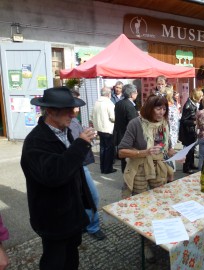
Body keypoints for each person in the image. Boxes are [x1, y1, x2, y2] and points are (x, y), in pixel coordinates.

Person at [20, 86, 97, 270]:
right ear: (51, 111)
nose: (73, 114)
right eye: (68, 110)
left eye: (74, 108)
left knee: (71, 258)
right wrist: (81, 144)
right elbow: (55, 175)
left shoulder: (65, 131)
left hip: (71, 213)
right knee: (54, 261)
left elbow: (74, 170)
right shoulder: (35, 142)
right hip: (53, 217)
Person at [118, 94, 176, 263]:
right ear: (149, 109)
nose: (162, 112)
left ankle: (161, 236)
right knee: (142, 208)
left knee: (161, 204)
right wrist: (144, 152)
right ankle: (145, 245)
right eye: (158, 108)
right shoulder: (135, 124)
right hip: (140, 169)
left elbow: (168, 148)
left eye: (164, 108)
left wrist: (175, 155)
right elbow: (121, 151)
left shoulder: (164, 123)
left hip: (159, 167)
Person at [69, 90, 106, 241]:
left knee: (86, 196)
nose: (78, 108)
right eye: (75, 104)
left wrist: (86, 131)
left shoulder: (73, 118)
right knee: (92, 196)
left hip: (79, 164)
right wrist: (83, 138)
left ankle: (86, 224)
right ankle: (92, 226)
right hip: (77, 165)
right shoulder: (67, 120)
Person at [113, 84, 139, 173]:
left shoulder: (118, 103)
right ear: (132, 94)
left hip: (120, 133)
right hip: (128, 136)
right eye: (136, 93)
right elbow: (133, 124)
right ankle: (128, 180)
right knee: (128, 159)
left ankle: (125, 178)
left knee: (124, 158)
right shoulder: (129, 106)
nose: (137, 94)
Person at [91, 87, 116, 174]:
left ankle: (103, 168)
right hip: (108, 129)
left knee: (102, 149)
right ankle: (108, 168)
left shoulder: (96, 102)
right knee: (109, 149)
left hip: (99, 129)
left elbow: (91, 116)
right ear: (109, 94)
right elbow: (113, 117)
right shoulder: (108, 103)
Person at [179, 88, 203, 174]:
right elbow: (184, 120)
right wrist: (194, 122)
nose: (201, 98)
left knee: (192, 149)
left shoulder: (193, 104)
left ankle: (191, 164)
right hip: (187, 132)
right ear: (196, 97)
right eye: (200, 96)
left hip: (191, 131)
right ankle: (186, 167)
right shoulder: (188, 106)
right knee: (188, 150)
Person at [165, 85, 180, 170]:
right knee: (170, 153)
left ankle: (169, 173)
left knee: (167, 155)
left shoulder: (167, 107)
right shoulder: (173, 106)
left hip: (168, 133)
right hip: (173, 133)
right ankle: (171, 172)